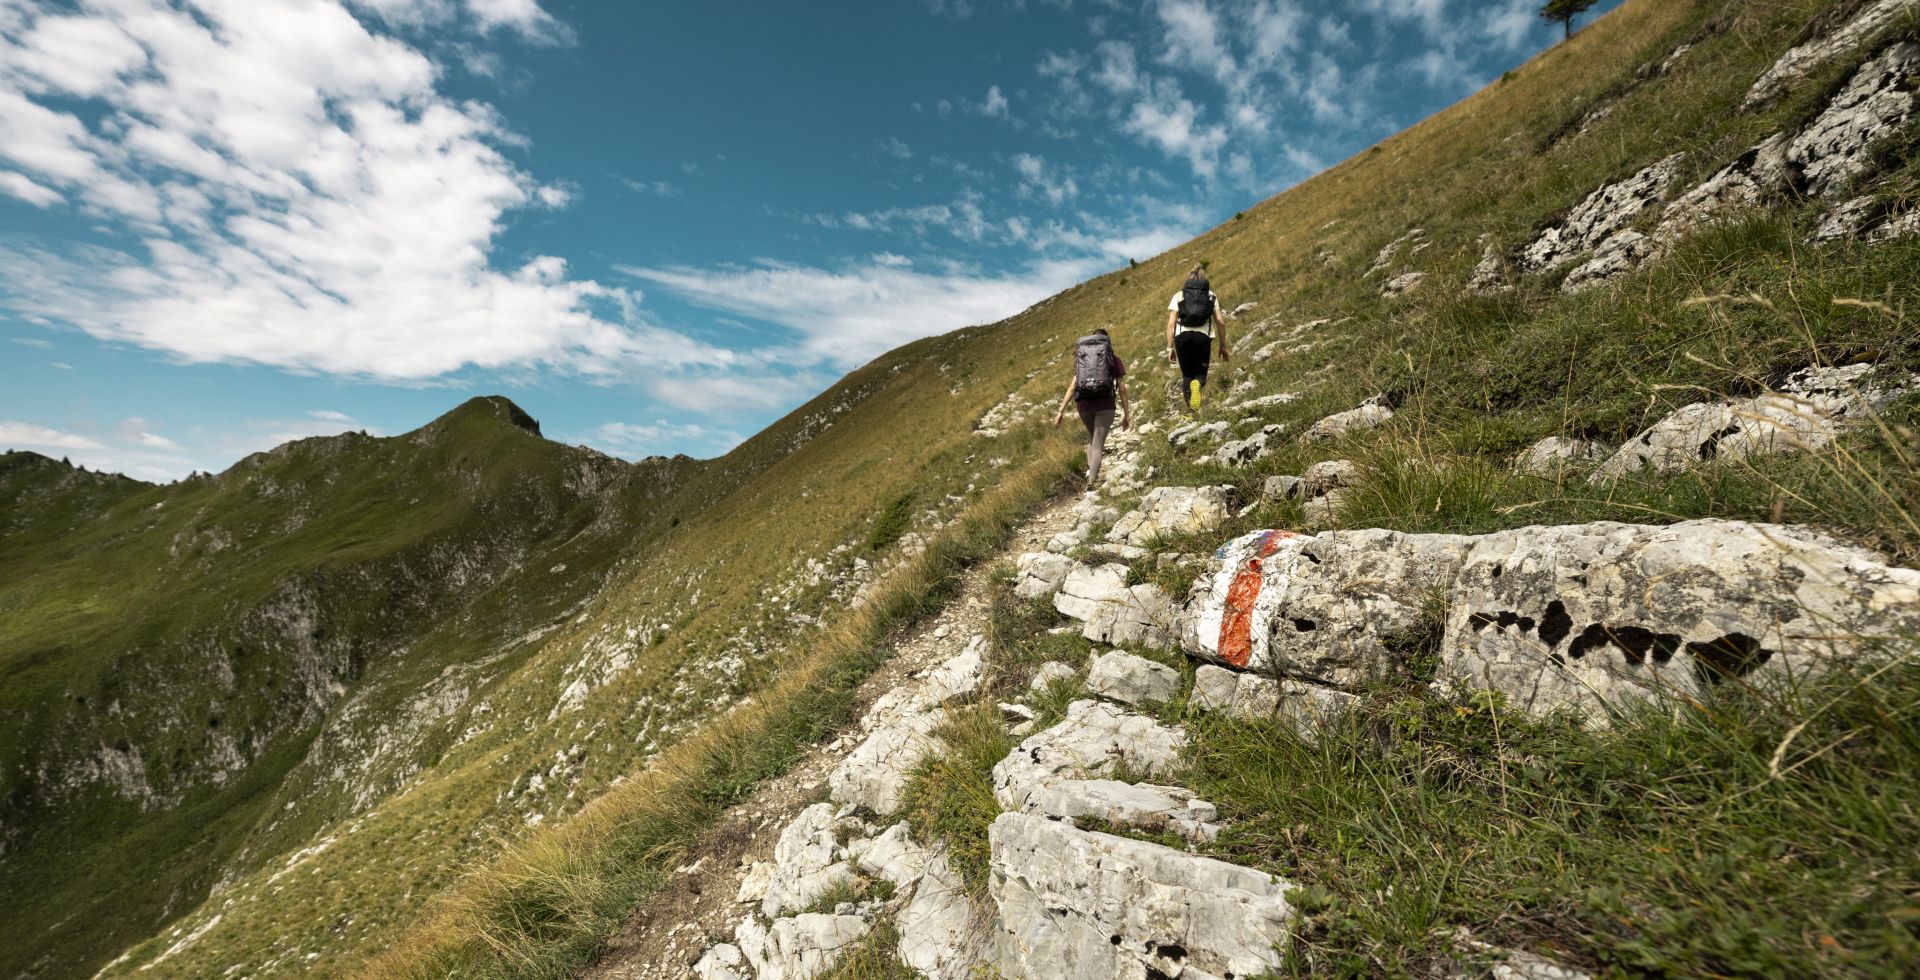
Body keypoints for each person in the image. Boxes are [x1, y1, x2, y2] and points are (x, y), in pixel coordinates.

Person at [1052, 327, 1130, 491]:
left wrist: (1061, 411)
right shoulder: (1114, 360)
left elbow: (1072, 388)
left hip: (1084, 406)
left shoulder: (1083, 361)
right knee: (1098, 445)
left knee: (1092, 437)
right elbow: (1122, 388)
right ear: (1107, 343)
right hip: (1105, 405)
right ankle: (1091, 482)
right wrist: (1126, 414)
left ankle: (1090, 471)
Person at [1165, 265, 1230, 412]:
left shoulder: (1179, 295)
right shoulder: (1211, 295)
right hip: (1203, 337)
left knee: (1187, 374)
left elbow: (1171, 324)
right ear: (1203, 278)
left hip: (1182, 337)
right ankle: (1198, 384)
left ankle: (1192, 411)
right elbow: (1220, 321)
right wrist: (1222, 345)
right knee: (1200, 374)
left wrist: (1170, 348)